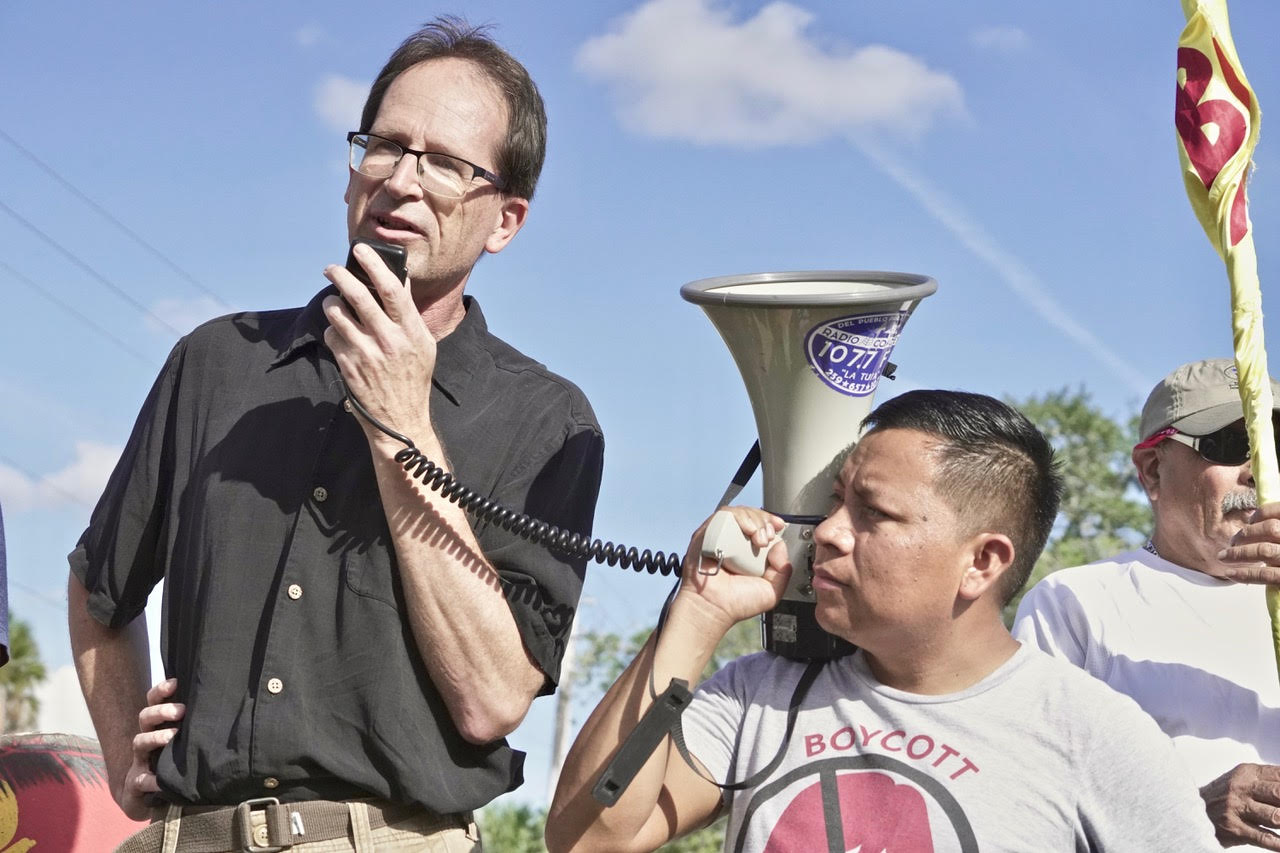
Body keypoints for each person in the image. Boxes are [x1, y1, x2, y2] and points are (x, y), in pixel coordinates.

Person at [67, 17, 604, 852]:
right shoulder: (215, 362)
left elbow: (492, 697)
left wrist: (402, 428)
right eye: (385, 145)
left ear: (505, 220)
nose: (402, 179)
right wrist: (118, 753)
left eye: (447, 165)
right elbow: (97, 589)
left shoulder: (549, 421)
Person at [547, 390, 1220, 852]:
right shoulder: (760, 693)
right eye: (837, 501)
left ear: (982, 561)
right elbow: (586, 838)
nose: (830, 534)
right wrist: (695, 611)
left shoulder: (1094, 732)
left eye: (873, 512)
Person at [1014, 358, 1280, 852]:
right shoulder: (1077, 603)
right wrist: (1190, 816)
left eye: (1275, 447)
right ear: (1153, 471)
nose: (1259, 471)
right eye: (1231, 444)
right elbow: (1024, 811)